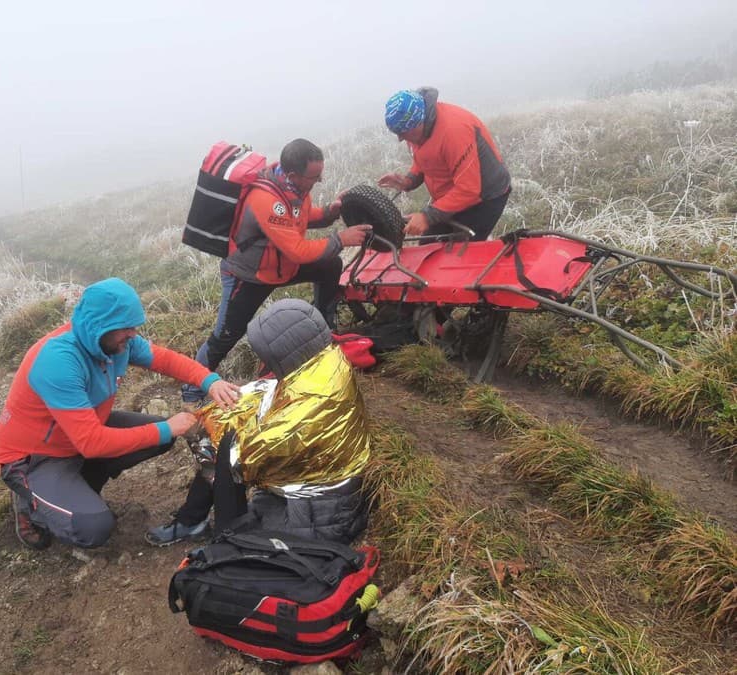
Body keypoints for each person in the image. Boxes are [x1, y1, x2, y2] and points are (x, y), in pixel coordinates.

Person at [0, 277, 241, 551]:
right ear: (99, 326)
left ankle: (78, 486)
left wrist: (210, 381)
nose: (133, 334)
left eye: (133, 327)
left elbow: (165, 359)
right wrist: (168, 428)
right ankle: (31, 504)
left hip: (79, 436)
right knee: (92, 528)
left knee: (158, 436)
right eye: (125, 328)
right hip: (34, 457)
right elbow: (92, 442)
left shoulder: (116, 343)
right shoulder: (59, 361)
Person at [150, 299, 371, 546]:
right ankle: (193, 521)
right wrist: (211, 417)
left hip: (318, 516)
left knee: (226, 453)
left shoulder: (311, 405)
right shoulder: (319, 361)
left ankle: (225, 541)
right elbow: (265, 395)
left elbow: (244, 461)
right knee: (218, 430)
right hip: (303, 493)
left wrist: (202, 431)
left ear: (285, 351)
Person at [181, 138, 372, 404]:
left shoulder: (293, 188)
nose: (319, 180)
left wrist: (329, 212)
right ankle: (192, 390)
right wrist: (341, 239)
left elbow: (300, 218)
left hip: (280, 268)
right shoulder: (268, 200)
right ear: (294, 174)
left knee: (330, 266)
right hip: (248, 277)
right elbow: (297, 249)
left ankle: (324, 326)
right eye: (314, 176)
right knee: (225, 336)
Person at [378, 87, 511, 242]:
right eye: (398, 133)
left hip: (485, 196)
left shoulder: (454, 131)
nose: (401, 138)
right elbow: (425, 157)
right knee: (428, 245)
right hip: (450, 197)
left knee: (460, 253)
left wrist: (427, 217)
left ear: (420, 120)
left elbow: (469, 189)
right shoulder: (414, 131)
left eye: (404, 132)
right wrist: (409, 180)